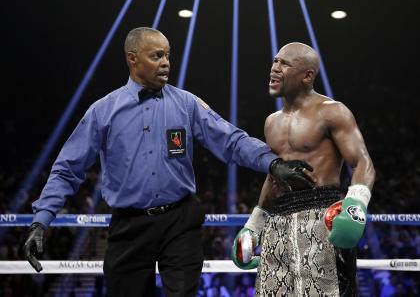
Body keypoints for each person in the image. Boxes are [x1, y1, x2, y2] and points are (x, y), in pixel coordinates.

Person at [23, 28, 313, 297]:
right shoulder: (103, 112)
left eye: (168, 55)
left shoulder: (186, 103)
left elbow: (231, 140)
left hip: (180, 220)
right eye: (156, 55)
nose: (165, 63)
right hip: (129, 226)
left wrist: (272, 163)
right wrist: (41, 220)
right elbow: (67, 168)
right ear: (132, 59)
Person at [232, 42, 375, 296]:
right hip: (278, 222)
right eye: (274, 62)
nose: (274, 69)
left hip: (321, 216)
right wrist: (253, 225)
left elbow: (363, 163)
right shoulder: (271, 122)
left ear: (308, 75)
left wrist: (355, 206)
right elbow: (273, 176)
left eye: (284, 63)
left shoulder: (332, 112)